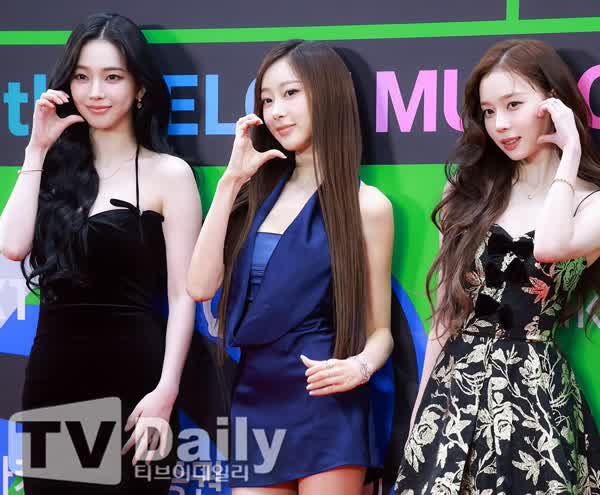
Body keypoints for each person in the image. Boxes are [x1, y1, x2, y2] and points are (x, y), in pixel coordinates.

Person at [0, 13, 201, 494]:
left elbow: (184, 296)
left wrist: (166, 392)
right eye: (82, 77)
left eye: (112, 77)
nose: (95, 92)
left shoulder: (170, 174)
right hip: (53, 380)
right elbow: (11, 245)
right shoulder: (50, 171)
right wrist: (35, 150)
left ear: (140, 88)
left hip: (137, 386)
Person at [187, 40, 394, 494]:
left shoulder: (367, 206)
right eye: (267, 99)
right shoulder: (252, 195)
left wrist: (360, 367)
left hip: (327, 398)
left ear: (328, 94)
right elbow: (200, 286)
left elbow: (380, 330)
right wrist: (230, 182)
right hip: (255, 395)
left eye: (291, 93)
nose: (277, 111)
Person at [394, 39, 600, 494]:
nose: (500, 124)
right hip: (454, 392)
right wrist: (419, 415)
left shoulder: (591, 204)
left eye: (513, 105)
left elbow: (550, 246)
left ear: (552, 103)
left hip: (536, 401)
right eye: (488, 112)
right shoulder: (467, 193)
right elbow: (446, 315)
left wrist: (568, 155)